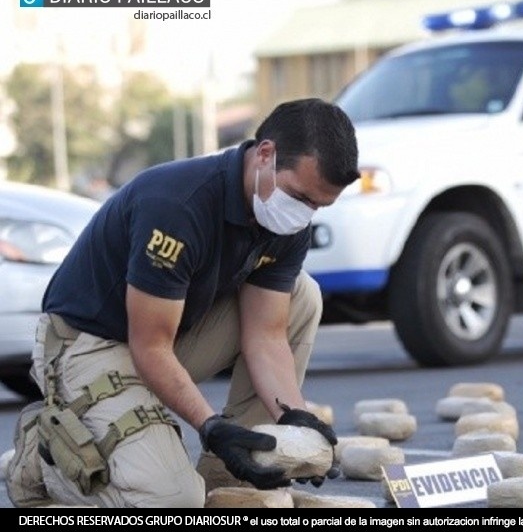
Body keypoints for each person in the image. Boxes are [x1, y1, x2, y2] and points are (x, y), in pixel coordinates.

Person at [6, 98, 360, 508]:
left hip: (165, 337)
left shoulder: (286, 218)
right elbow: (149, 345)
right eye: (301, 197)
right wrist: (210, 426)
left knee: (302, 295)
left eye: (319, 205)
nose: (305, 215)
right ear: (265, 154)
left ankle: (229, 475)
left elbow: (267, 336)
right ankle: (43, 467)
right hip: (89, 345)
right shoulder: (178, 205)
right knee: (172, 501)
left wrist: (296, 421)